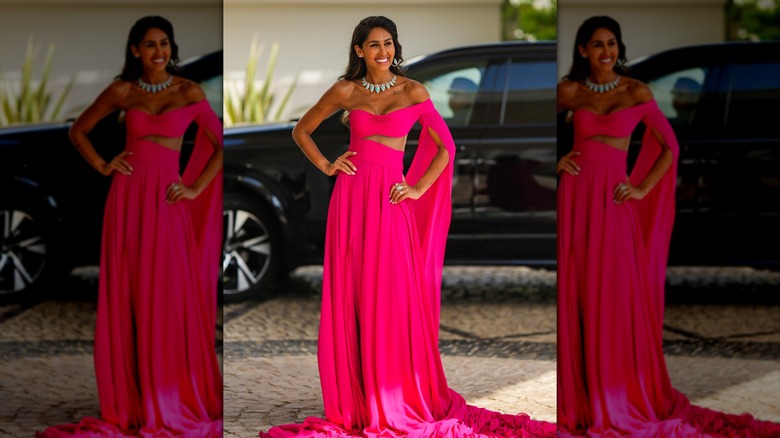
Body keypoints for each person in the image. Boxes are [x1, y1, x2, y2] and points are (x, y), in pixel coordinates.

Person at [259, 16, 556, 438]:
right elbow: (301, 130)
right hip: (352, 198)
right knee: (354, 289)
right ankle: (357, 394)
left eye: (389, 43)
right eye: (374, 45)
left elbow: (446, 147)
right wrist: (328, 164)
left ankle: (391, 389)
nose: (383, 52)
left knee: (392, 291)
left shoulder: (414, 90)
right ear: (359, 50)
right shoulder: (345, 90)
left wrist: (417, 189)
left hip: (390, 200)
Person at [556, 15, 780, 437]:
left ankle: (616, 391)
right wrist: (557, 160)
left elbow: (669, 146)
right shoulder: (569, 90)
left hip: (614, 200)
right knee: (577, 289)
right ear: (583, 50)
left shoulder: (636, 90)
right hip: (576, 197)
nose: (607, 52)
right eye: (598, 45)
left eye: (612, 44)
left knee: (615, 292)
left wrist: (640, 190)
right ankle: (582, 396)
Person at [37, 15, 223, 437]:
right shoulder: (122, 90)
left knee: (168, 292)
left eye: (164, 44)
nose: (159, 52)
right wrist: (104, 165)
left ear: (171, 48)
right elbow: (78, 130)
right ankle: (132, 397)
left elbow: (218, 142)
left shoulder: (188, 90)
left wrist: (194, 189)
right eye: (150, 45)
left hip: (167, 200)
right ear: (136, 50)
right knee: (129, 291)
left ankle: (167, 391)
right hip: (127, 199)